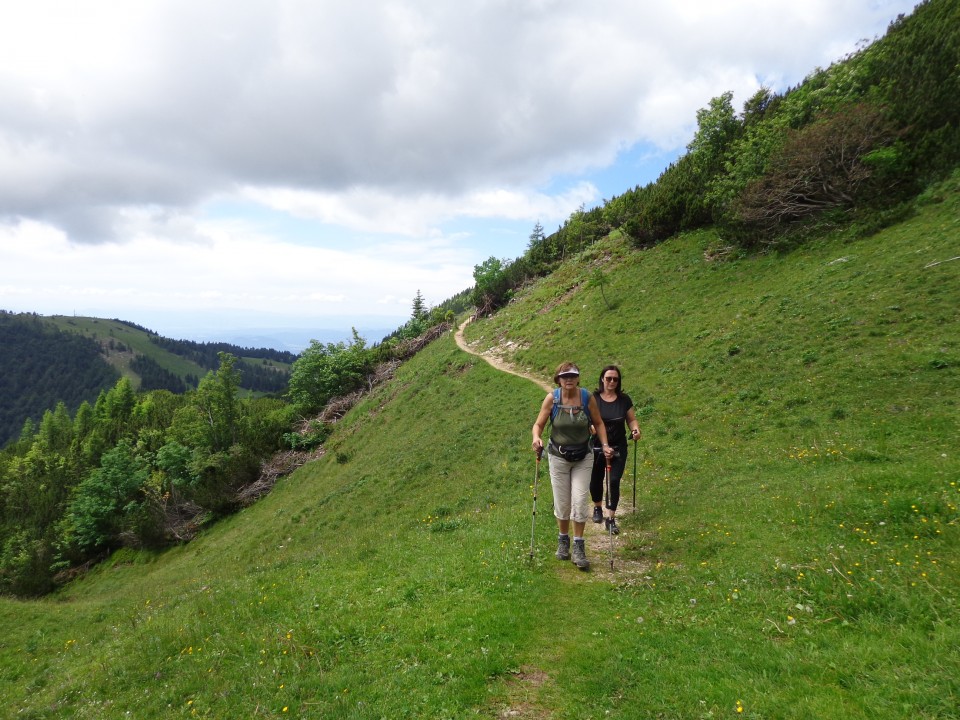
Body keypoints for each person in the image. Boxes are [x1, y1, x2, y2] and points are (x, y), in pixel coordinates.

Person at [532, 362, 614, 571]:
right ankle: (563, 539)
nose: (568, 379)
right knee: (562, 502)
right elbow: (539, 424)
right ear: (558, 379)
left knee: (579, 500)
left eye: (572, 375)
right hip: (558, 456)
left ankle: (578, 546)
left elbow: (599, 423)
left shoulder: (587, 398)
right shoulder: (553, 399)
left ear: (578, 378)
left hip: (583, 456)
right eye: (564, 376)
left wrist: (604, 445)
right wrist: (536, 438)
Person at [589, 365, 641, 535]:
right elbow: (588, 419)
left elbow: (631, 419)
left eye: (615, 379)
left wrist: (635, 430)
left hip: (618, 446)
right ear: (602, 379)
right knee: (595, 479)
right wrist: (591, 428)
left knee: (613, 481)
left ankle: (611, 518)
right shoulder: (593, 398)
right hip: (597, 445)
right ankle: (597, 508)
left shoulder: (624, 399)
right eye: (608, 378)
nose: (611, 381)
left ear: (618, 381)